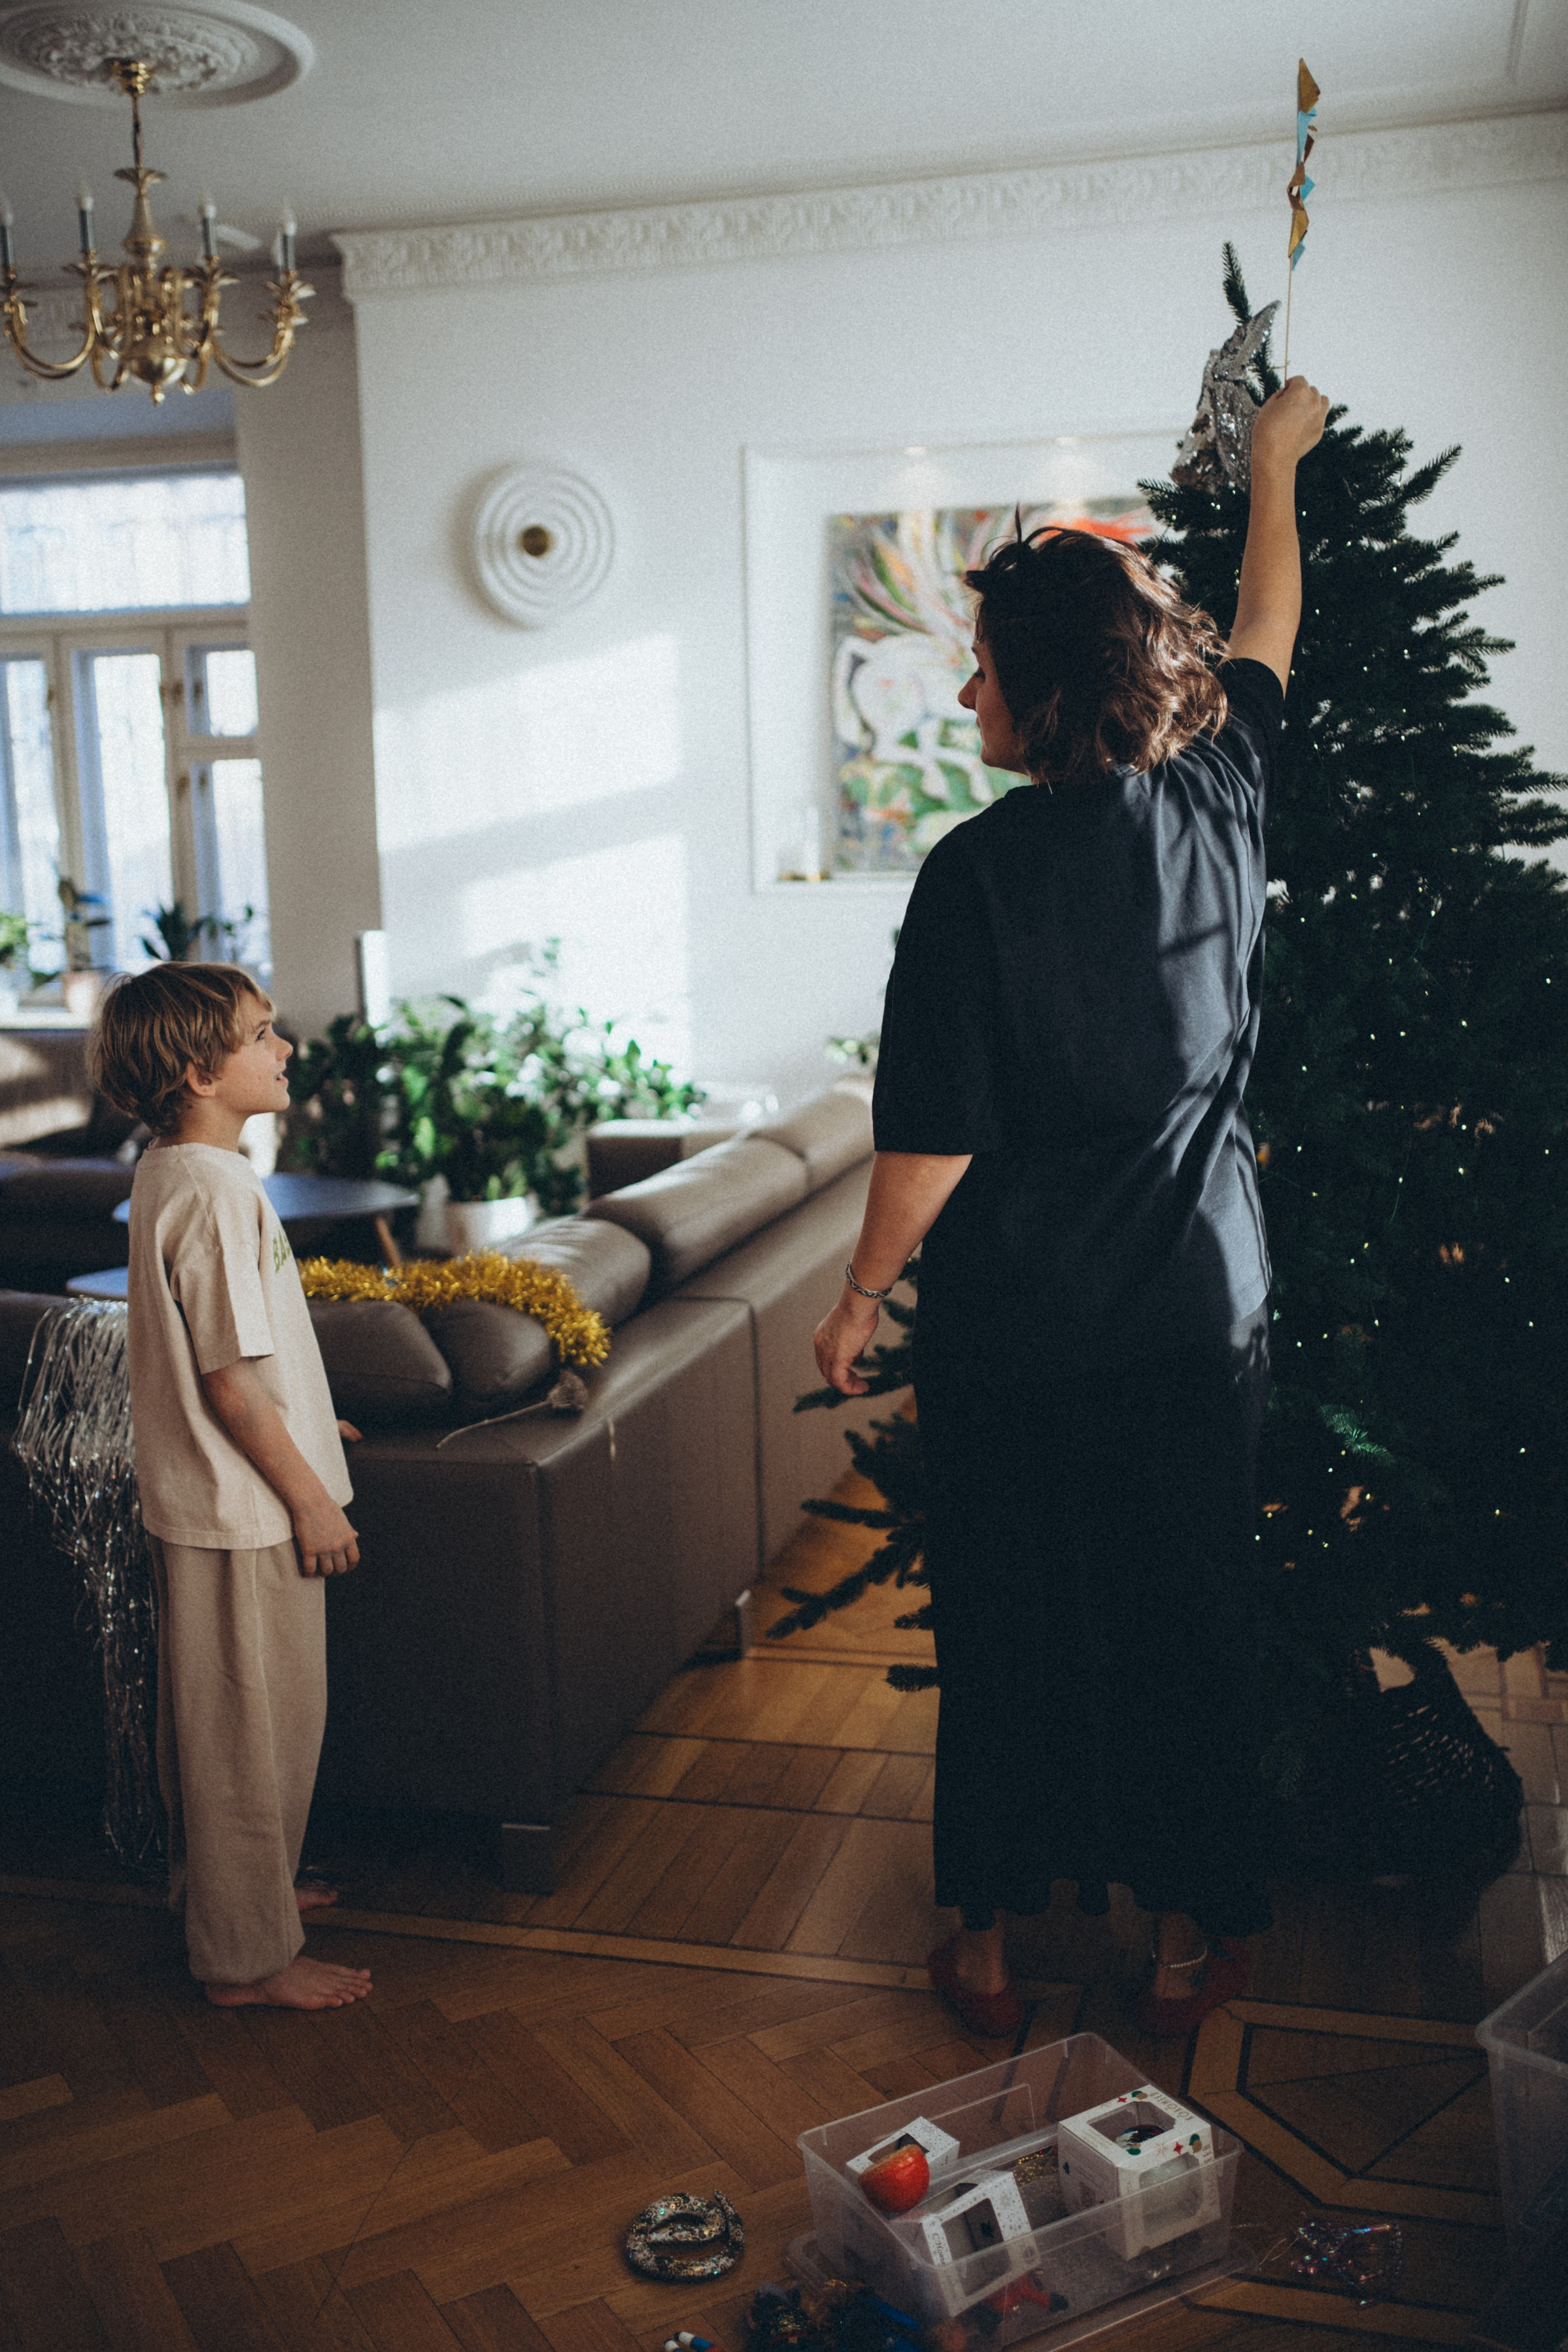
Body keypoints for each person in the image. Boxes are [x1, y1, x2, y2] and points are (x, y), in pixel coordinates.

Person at [815, 375, 1330, 2039]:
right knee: (1191, 1616)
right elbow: (1267, 616)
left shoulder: (973, 871)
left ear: (1034, 688)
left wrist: (852, 1297)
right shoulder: (1221, 798)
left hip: (1019, 1334)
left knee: (1014, 1623)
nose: (960, 685)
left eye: (977, 663)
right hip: (1195, 1317)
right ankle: (1195, 1936)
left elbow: (932, 1143)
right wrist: (1272, 467)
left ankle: (982, 1930)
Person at [90, 964, 373, 2011]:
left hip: (212, 1498)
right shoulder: (216, 1191)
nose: (285, 1047)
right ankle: (248, 1958)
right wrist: (310, 1493)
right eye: (262, 1034)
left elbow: (232, 1355)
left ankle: (240, 1892)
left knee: (220, 1723)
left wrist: (308, 1407)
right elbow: (228, 1380)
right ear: (201, 1070)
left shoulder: (171, 1170)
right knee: (255, 1729)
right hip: (246, 1511)